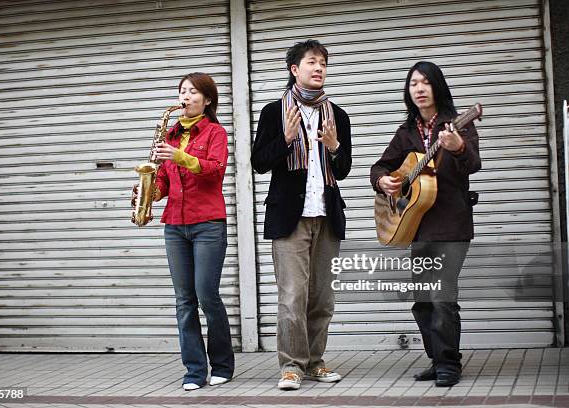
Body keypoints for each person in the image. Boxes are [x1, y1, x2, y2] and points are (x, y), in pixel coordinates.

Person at [370, 61, 481, 387]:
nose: (418, 89)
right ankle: (437, 358)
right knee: (422, 299)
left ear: (437, 87)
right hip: (417, 226)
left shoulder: (457, 125)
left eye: (425, 83)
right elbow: (381, 166)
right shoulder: (406, 133)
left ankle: (449, 363)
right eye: (413, 83)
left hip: (451, 224)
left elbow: (473, 163)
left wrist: (458, 147)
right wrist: (383, 183)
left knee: (442, 295)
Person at [251, 40, 352, 391]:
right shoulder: (272, 112)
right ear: (295, 69)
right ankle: (291, 366)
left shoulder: (337, 115)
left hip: (326, 215)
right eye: (312, 62)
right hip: (290, 218)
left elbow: (344, 170)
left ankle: (315, 363)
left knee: (322, 298)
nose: (319, 68)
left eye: (323, 62)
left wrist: (335, 148)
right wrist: (286, 139)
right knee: (292, 296)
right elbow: (259, 163)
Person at [150, 72, 234, 391]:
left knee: (206, 295)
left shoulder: (215, 133)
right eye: (182, 91)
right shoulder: (169, 135)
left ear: (207, 100)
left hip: (208, 224)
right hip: (174, 225)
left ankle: (223, 364)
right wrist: (152, 192)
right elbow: (164, 180)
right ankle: (194, 371)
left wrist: (181, 156)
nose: (184, 97)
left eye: (192, 92)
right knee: (184, 300)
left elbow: (215, 171)